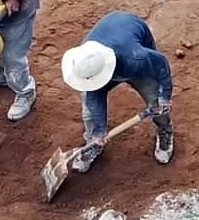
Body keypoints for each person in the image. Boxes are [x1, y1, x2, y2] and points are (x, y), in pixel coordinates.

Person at [60, 11, 174, 173]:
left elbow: (160, 63)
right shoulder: (85, 61)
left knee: (155, 101)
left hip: (130, 46)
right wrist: (100, 132)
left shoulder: (136, 58)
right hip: (110, 47)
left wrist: (165, 96)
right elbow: (94, 99)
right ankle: (93, 142)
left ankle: (165, 130)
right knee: (90, 110)